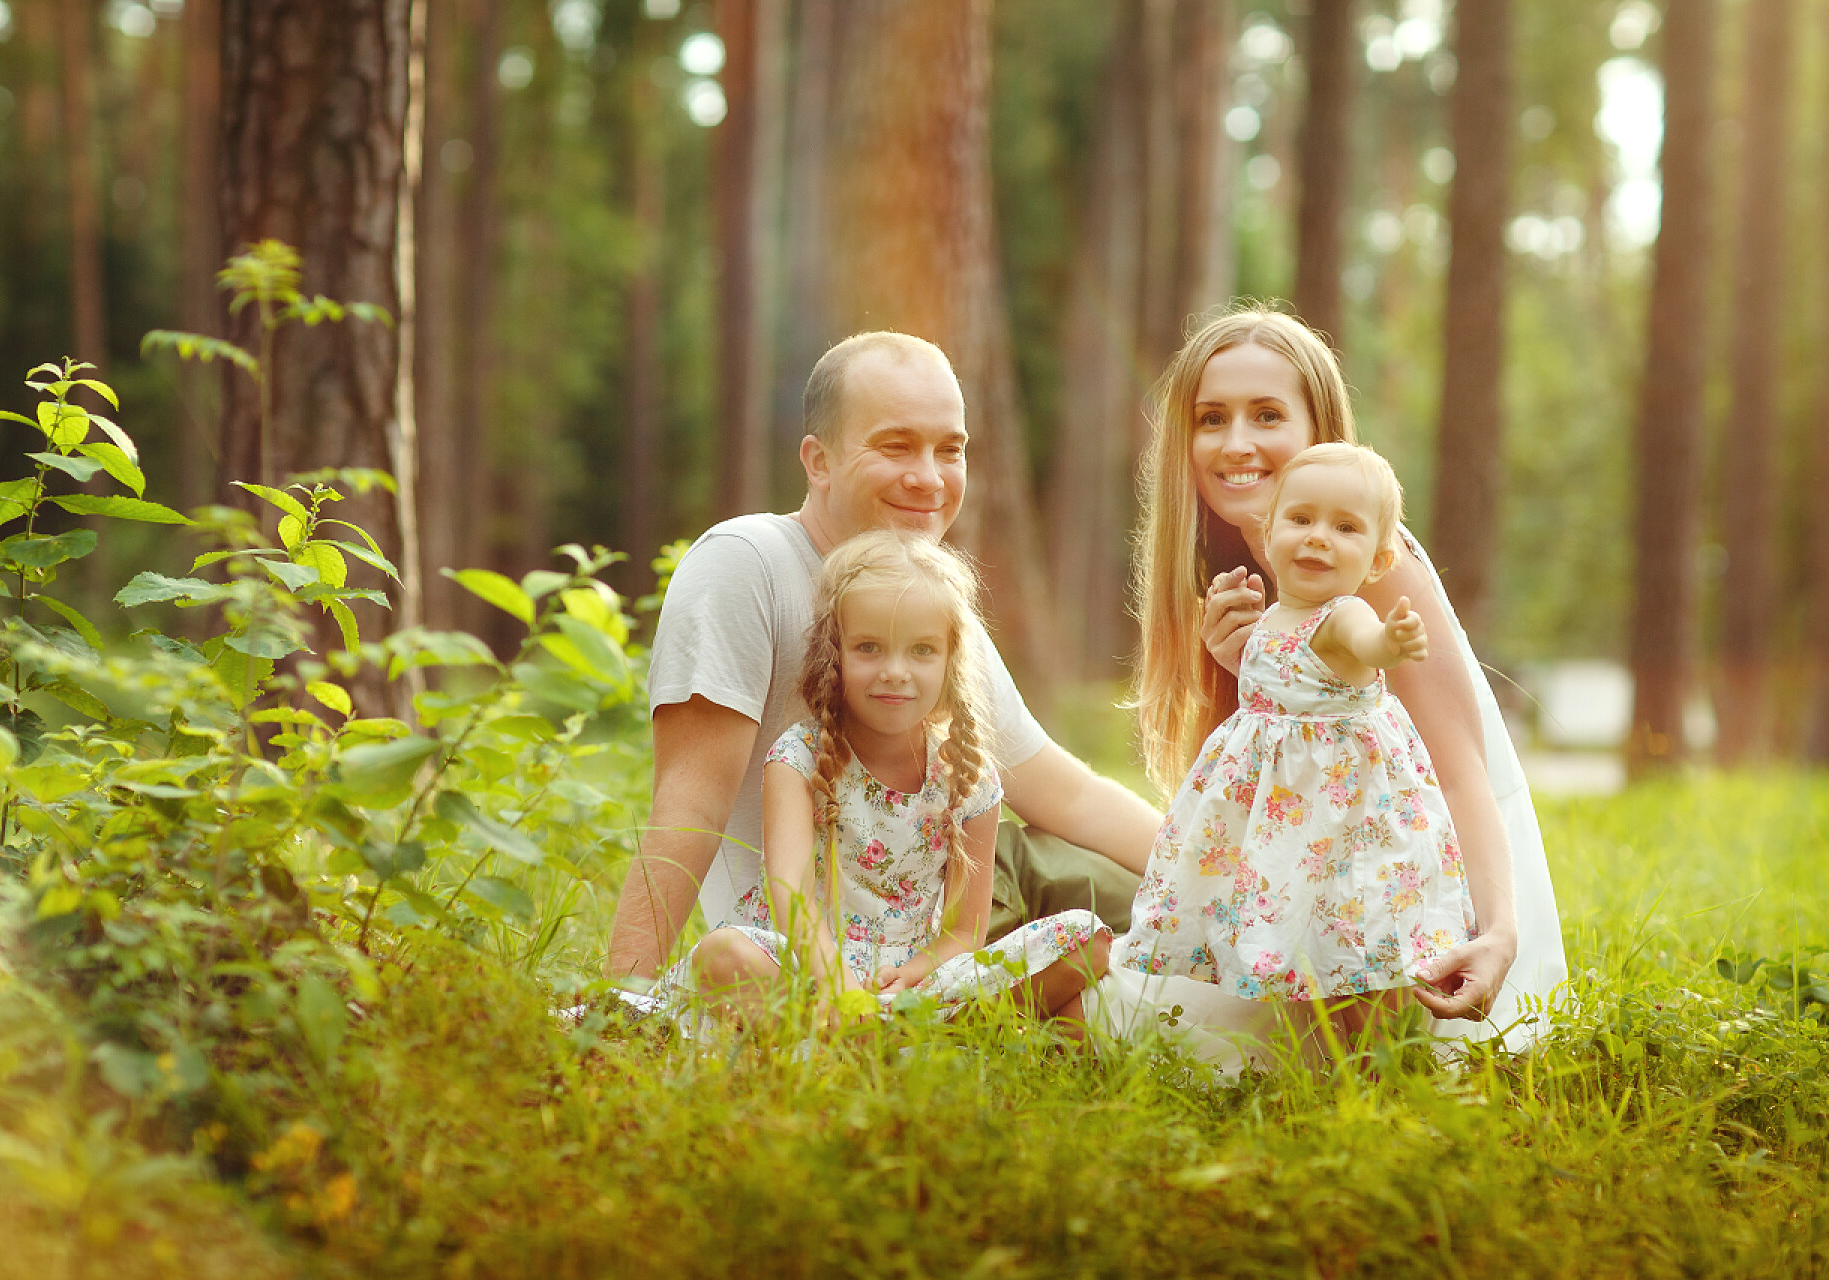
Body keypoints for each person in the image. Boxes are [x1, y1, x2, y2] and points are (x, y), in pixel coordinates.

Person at [603, 331, 1156, 986]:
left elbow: (1068, 795)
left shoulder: (927, 607)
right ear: (819, 461)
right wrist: (621, 999)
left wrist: (1224, 870)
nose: (928, 478)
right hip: (804, 951)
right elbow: (690, 801)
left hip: (945, 927)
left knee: (1148, 905)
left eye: (949, 451)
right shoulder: (748, 562)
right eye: (896, 446)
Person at [1093, 307, 1567, 1059]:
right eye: (1212, 418)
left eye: (1268, 415)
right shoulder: (1240, 560)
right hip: (1305, 886)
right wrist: (1244, 672)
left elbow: (1461, 770)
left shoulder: (1370, 559)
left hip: (1424, 890)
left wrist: (1500, 930)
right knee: (1137, 1029)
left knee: (1180, 1043)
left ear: (1321, 432)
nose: (1237, 443)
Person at [668, 532, 1110, 1032]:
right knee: (725, 956)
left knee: (1085, 938)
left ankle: (889, 1035)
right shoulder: (799, 758)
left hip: (914, 987)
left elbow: (966, 932)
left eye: (922, 650)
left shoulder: (969, 775)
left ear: (951, 661)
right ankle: (862, 1038)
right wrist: (836, 982)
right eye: (869, 648)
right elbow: (792, 898)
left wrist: (913, 976)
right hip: (809, 969)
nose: (895, 672)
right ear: (834, 653)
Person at [1121, 443, 1475, 1043]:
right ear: (1270, 527)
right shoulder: (1271, 622)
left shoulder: (1344, 616)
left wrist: (1392, 641)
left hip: (1341, 820)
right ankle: (1307, 1051)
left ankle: (1375, 1059)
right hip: (1276, 818)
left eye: (1345, 527)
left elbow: (1367, 645)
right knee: (1292, 932)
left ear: (1378, 558)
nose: (1318, 537)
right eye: (1301, 519)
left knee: (1352, 934)